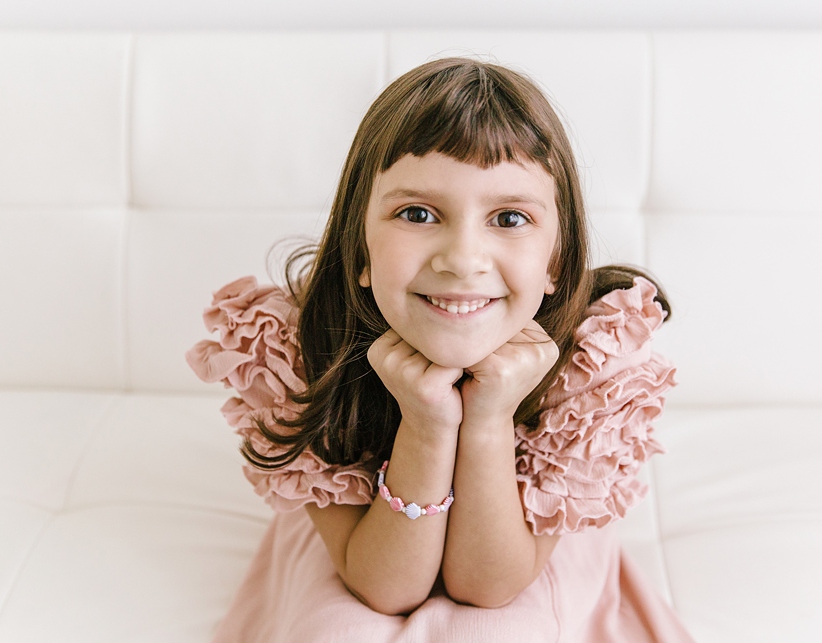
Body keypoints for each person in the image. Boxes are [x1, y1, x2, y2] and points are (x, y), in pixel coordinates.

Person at [187, 57, 693, 642]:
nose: (461, 258)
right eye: (418, 213)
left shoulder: (592, 367)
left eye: (508, 217)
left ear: (555, 261)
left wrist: (488, 419)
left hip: (519, 546)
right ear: (361, 252)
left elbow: (488, 587)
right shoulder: (294, 349)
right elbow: (383, 586)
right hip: (368, 540)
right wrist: (426, 426)